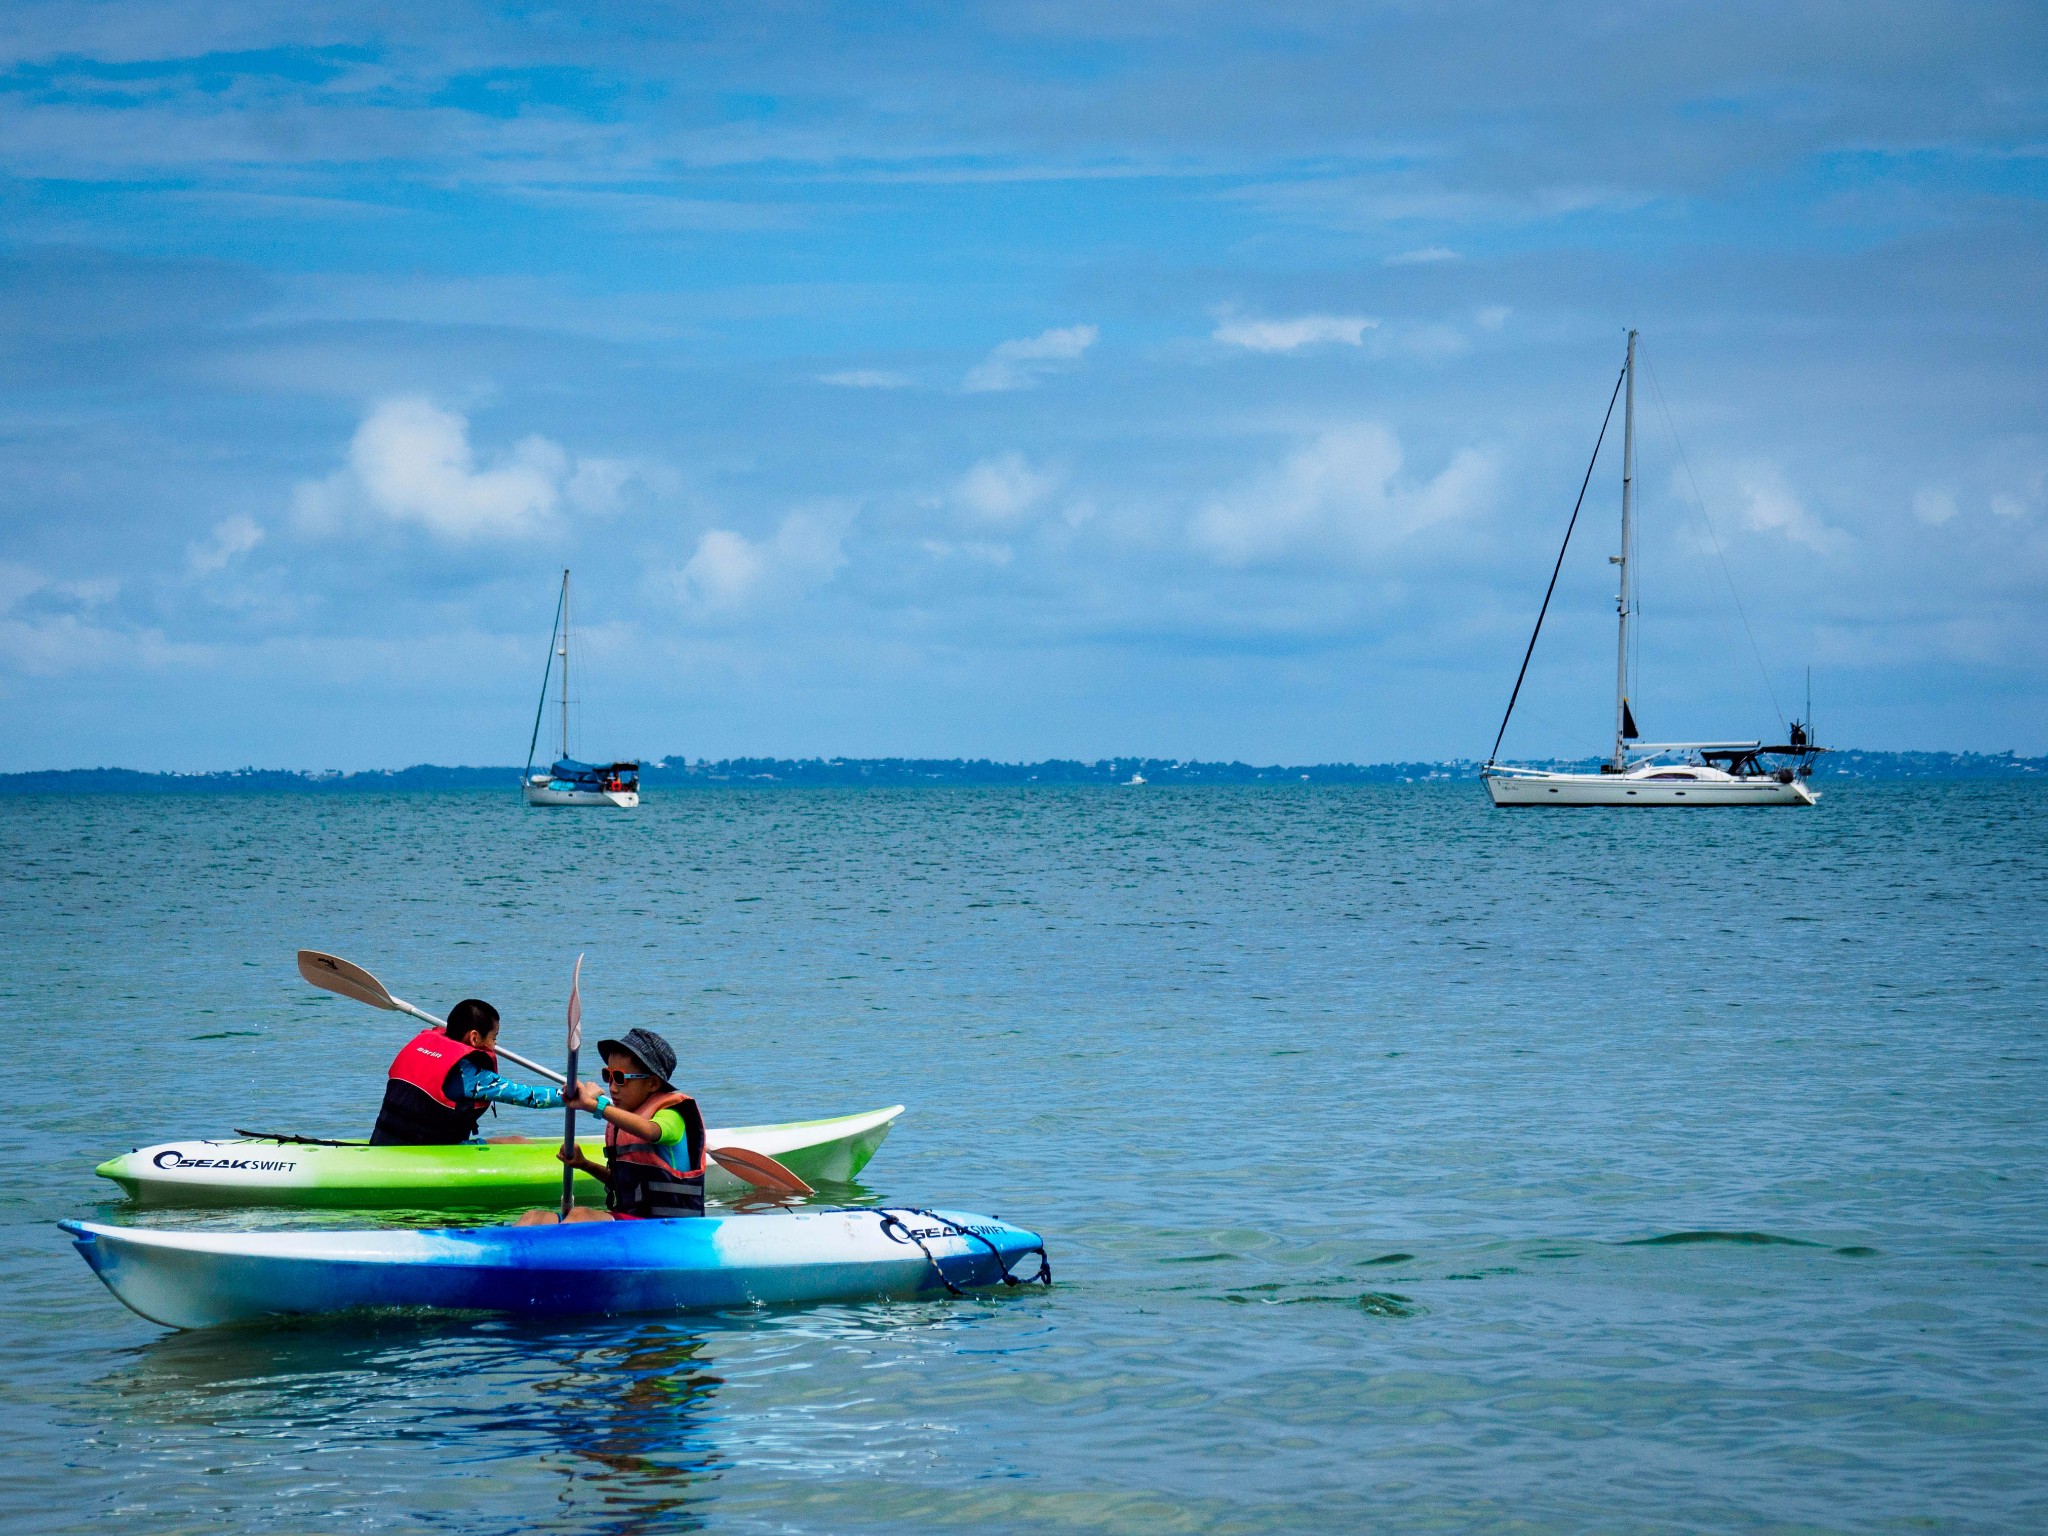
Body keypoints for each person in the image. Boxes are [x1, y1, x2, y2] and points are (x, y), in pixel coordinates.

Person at [514, 1027, 706, 1224]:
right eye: (608, 1076)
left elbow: (649, 1131)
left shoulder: (671, 1115)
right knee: (533, 1218)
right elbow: (621, 1184)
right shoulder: (626, 1119)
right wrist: (584, 1164)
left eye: (621, 1078)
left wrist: (594, 1106)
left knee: (580, 1215)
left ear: (652, 1084)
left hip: (667, 1227)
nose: (612, 1087)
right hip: (630, 1222)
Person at [369, 998, 567, 1145]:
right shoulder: (471, 1076)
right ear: (474, 1038)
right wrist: (576, 1097)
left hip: (383, 1142)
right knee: (519, 1142)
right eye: (494, 1037)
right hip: (433, 1154)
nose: (495, 1044)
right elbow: (529, 1096)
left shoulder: (420, 1048)